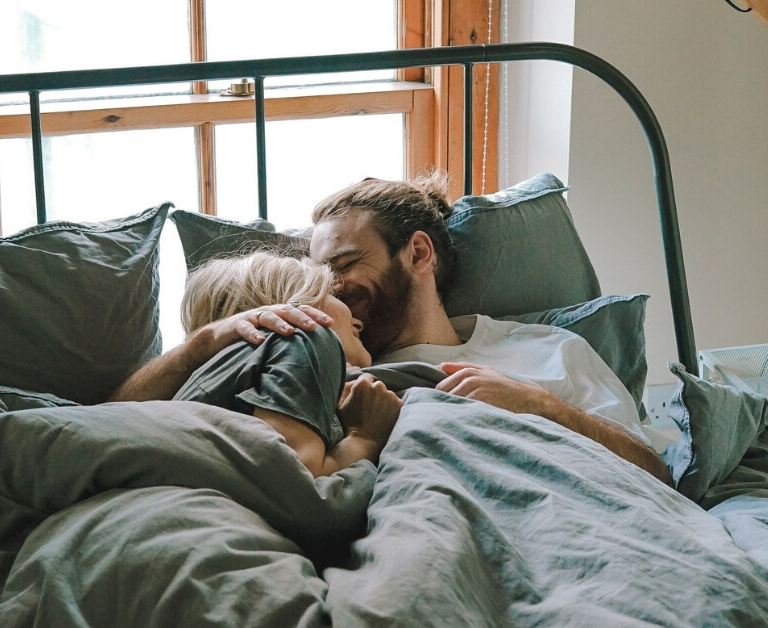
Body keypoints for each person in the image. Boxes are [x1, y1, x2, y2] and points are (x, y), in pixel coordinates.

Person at [308, 173, 673, 486]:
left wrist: (538, 404)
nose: (331, 288)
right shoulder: (330, 366)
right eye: (321, 277)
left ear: (419, 253)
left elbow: (656, 474)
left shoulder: (551, 349)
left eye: (344, 265)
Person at [116, 251, 402, 479]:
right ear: (292, 305)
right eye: (335, 297)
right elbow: (301, 486)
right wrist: (365, 438)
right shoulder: (301, 340)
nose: (357, 319)